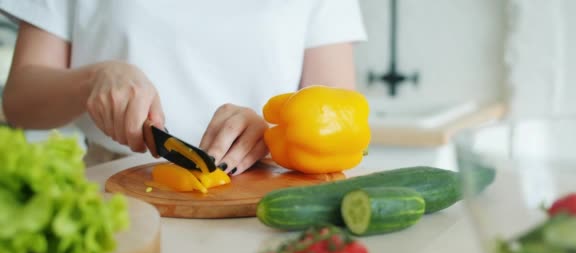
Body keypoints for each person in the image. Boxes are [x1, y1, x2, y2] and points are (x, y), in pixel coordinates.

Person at [0, 0, 366, 173]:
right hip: (116, 193)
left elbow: (340, 121)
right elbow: (19, 100)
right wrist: (91, 79)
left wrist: (270, 135)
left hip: (265, 198)